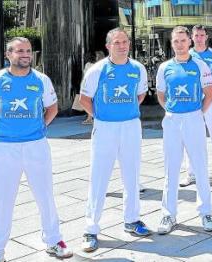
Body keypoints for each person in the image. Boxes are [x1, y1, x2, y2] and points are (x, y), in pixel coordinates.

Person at [0, 37, 73, 262]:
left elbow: (51, 109)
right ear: (8, 54)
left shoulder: (41, 80)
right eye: (19, 51)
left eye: (28, 51)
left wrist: (38, 129)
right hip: (5, 149)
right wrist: (0, 132)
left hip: (36, 146)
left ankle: (53, 241)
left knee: (45, 196)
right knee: (2, 200)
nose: (25, 54)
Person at [80, 28, 151, 252]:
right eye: (117, 42)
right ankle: (90, 228)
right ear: (108, 46)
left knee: (132, 175)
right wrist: (103, 116)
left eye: (125, 42)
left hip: (130, 126)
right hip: (105, 127)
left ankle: (132, 220)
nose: (122, 45)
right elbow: (84, 99)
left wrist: (124, 112)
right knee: (99, 176)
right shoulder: (98, 69)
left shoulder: (138, 68)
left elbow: (139, 95)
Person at [155, 26, 212, 235]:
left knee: (200, 167)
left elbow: (209, 94)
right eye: (176, 41)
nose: (180, 44)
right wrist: (172, 112)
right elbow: (161, 95)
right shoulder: (164, 68)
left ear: (189, 42)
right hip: (172, 120)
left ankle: (206, 212)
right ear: (171, 43)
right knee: (171, 168)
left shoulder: (200, 65)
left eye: (183, 40)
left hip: (194, 119)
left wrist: (197, 114)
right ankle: (168, 214)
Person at [179, 24, 212, 186]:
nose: (199, 38)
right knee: (191, 136)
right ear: (191, 38)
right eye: (196, 35)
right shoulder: (187, 55)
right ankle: (191, 173)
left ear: (206, 37)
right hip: (192, 99)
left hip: (211, 98)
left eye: (202, 35)